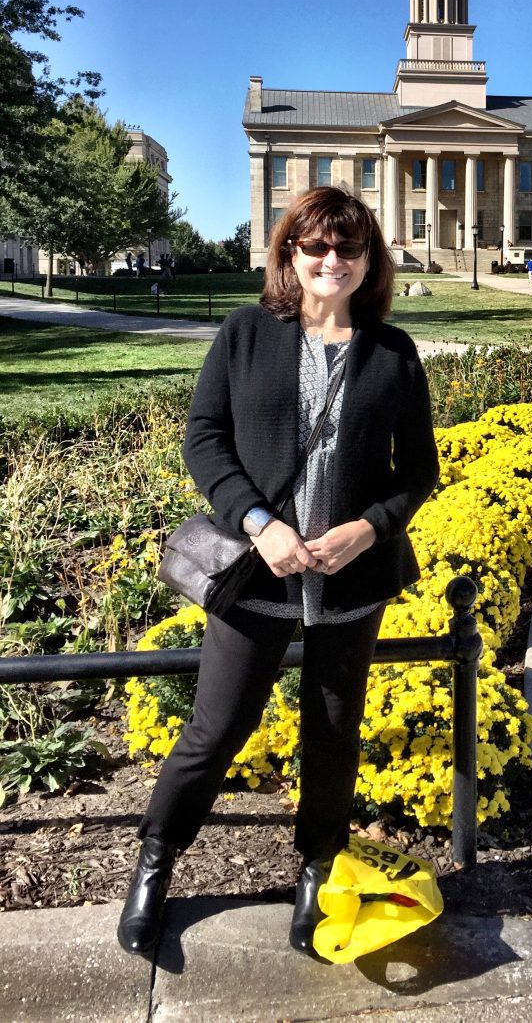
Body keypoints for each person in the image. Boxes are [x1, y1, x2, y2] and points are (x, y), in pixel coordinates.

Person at [116, 186, 439, 960]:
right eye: (316, 246)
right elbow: (204, 438)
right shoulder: (246, 333)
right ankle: (155, 863)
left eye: (349, 247)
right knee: (217, 727)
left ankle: (316, 874)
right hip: (259, 573)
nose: (332, 260)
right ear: (289, 253)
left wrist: (369, 528)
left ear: (369, 261)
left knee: (331, 732)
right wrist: (258, 524)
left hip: (348, 581)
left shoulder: (393, 354)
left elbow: (419, 469)